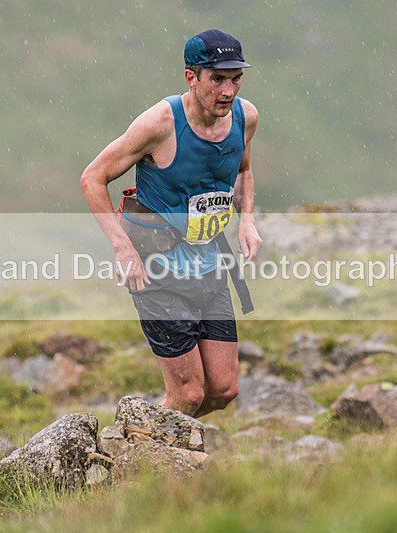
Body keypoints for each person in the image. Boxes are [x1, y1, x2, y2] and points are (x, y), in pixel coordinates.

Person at [80, 29, 262, 418]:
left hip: (211, 265)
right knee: (189, 395)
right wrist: (122, 248)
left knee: (223, 390)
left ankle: (151, 432)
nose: (228, 91)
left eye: (236, 79)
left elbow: (243, 170)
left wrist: (246, 221)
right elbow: (92, 178)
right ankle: (142, 444)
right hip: (157, 270)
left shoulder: (245, 117)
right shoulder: (159, 124)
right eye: (217, 79)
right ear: (191, 77)